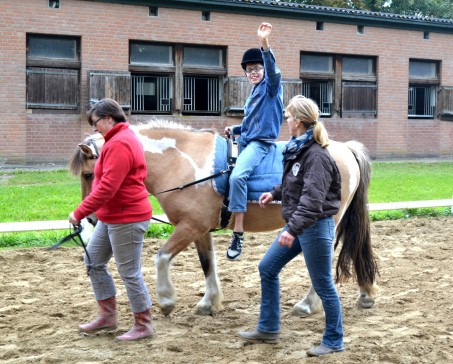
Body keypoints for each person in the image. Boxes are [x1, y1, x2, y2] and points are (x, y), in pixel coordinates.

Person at [239, 95, 345, 357]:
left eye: (288, 116)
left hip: (315, 227)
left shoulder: (317, 156)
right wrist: (274, 193)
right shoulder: (299, 148)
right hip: (301, 226)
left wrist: (290, 230)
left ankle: (334, 340)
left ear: (298, 121)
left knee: (322, 285)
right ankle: (268, 328)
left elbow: (312, 200)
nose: (286, 120)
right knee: (267, 267)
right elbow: (293, 183)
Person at [68, 98, 153, 341]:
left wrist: (79, 213)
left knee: (129, 272)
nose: (94, 128)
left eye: (95, 123)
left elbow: (107, 188)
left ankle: (144, 324)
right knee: (93, 261)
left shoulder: (120, 143)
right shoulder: (115, 140)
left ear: (109, 118)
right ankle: (107, 316)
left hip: (127, 217)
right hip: (112, 216)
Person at [224, 22, 283, 261]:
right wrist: (235, 128)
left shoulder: (271, 86)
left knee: (238, 176)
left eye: (257, 68)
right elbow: (251, 124)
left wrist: (264, 42)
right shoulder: (254, 93)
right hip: (247, 141)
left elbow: (272, 67)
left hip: (261, 144)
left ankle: (238, 231)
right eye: (249, 70)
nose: (253, 73)